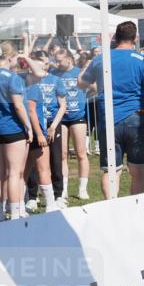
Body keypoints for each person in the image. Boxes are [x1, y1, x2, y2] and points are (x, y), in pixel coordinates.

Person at [78, 21, 144, 198]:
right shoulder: (141, 59)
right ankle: (136, 207)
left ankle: (111, 206)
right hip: (135, 118)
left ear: (116, 37)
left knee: (111, 171)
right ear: (135, 38)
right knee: (137, 171)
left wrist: (90, 64)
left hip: (108, 119)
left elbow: (81, 83)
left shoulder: (101, 59)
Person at [0, 42, 34, 221]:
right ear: (11, 57)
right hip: (13, 129)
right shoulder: (12, 78)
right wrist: (28, 127)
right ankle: (14, 213)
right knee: (14, 172)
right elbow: (19, 107)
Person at [23, 54, 64, 212]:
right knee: (39, 168)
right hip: (36, 128)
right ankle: (41, 201)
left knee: (53, 161)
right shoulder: (30, 84)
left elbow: (62, 105)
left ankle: (56, 196)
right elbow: (32, 111)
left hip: (45, 125)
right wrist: (39, 133)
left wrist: (53, 126)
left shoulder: (54, 80)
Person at [53, 47, 91, 200]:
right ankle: (64, 189)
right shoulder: (54, 74)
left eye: (59, 60)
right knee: (62, 154)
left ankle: (83, 188)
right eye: (55, 60)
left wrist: (85, 95)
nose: (57, 63)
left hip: (78, 116)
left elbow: (93, 88)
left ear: (68, 59)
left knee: (81, 153)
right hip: (61, 117)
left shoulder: (78, 72)